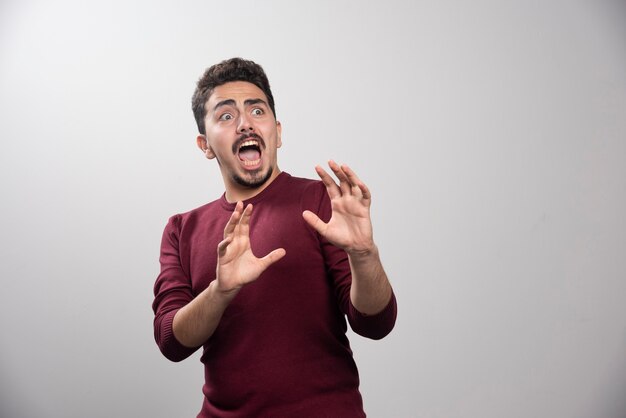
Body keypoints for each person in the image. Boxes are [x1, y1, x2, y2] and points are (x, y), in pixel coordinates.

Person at [152, 57, 397, 417]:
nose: (245, 124)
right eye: (226, 116)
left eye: (257, 111)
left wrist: (364, 254)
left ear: (277, 132)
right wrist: (220, 291)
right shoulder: (181, 229)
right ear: (205, 145)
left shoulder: (321, 202)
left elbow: (375, 323)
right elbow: (171, 341)